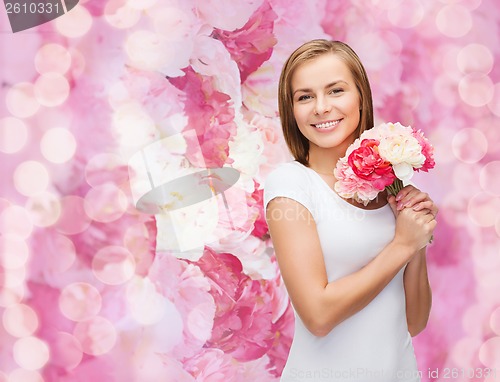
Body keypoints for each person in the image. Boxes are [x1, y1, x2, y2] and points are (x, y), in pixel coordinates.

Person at [264, 39, 438, 382]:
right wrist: (402, 245)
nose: (321, 107)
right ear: (292, 110)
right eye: (305, 96)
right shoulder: (291, 185)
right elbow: (318, 315)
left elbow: (414, 322)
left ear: (361, 97)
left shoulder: (392, 189)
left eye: (336, 90)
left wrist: (415, 239)